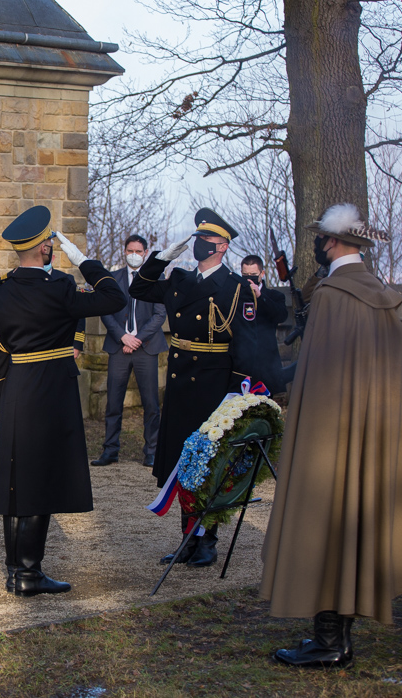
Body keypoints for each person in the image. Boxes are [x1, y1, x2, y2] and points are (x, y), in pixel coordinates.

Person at [261, 203, 402, 668]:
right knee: (353, 525)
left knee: (324, 523)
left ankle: (330, 642)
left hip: (330, 435)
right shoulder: (381, 294)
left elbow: (319, 374)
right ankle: (337, 639)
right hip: (372, 433)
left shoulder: (333, 295)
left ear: (331, 243)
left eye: (322, 240)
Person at [0, 205, 125, 596]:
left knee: (16, 482)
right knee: (40, 481)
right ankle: (29, 574)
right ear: (46, 248)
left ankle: (16, 570)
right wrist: (84, 261)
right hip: (50, 389)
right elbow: (114, 298)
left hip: (15, 389)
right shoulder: (61, 288)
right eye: (51, 241)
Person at [129, 208, 249, 569]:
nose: (195, 246)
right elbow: (140, 287)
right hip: (181, 383)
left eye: (202, 242)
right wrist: (165, 255)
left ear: (222, 246)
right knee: (183, 462)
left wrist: (235, 394)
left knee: (210, 462)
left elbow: (244, 345)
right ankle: (186, 539)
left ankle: (207, 540)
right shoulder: (180, 278)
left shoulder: (235, 287)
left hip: (213, 385)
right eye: (194, 241)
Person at [92, 234, 168, 468]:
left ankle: (152, 451)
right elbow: (105, 310)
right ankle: (110, 450)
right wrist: (122, 336)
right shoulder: (113, 279)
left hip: (146, 348)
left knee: (151, 404)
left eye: (138, 251)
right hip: (118, 346)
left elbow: (159, 315)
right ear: (124, 252)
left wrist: (137, 339)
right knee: (113, 402)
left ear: (145, 253)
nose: (133, 255)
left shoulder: (156, 279)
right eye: (129, 250)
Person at [229, 254, 290, 395]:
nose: (249, 278)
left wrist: (260, 297)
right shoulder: (235, 297)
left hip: (266, 364)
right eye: (245, 275)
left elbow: (281, 315)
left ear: (262, 274)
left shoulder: (274, 296)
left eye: (253, 275)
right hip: (241, 365)